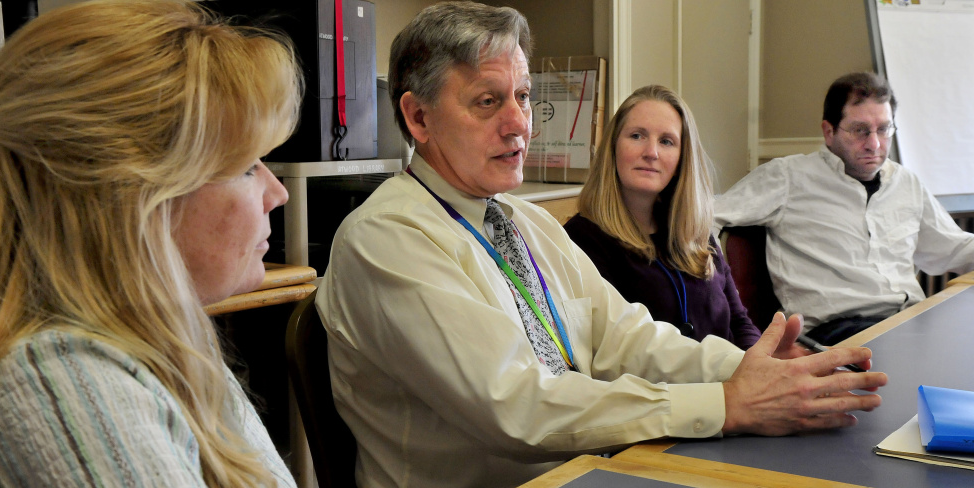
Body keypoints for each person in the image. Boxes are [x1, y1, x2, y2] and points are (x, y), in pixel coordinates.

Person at [316, 3, 887, 487]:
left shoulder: (522, 219)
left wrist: (750, 372)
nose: (519, 123)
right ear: (417, 116)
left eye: (522, 95)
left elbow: (623, 335)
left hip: (588, 468)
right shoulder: (386, 237)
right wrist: (724, 403)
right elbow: (519, 407)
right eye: (488, 102)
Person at [0, 1, 303, 485]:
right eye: (246, 167)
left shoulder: (167, 341)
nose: (279, 193)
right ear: (133, 200)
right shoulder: (70, 380)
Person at [714, 72, 974, 345]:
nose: (874, 144)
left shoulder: (905, 182)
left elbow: (954, 248)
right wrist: (708, 277)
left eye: (884, 129)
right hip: (838, 333)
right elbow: (708, 213)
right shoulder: (788, 177)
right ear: (829, 131)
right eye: (860, 130)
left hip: (911, 321)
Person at [565, 85, 760, 350]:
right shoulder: (581, 239)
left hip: (733, 382)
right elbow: (608, 352)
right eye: (636, 136)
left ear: (682, 159)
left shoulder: (697, 233)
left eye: (666, 141)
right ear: (613, 148)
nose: (651, 152)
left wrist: (760, 365)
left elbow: (739, 322)